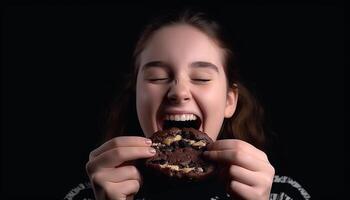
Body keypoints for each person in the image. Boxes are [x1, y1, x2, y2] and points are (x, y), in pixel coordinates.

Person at [64, 9, 311, 200]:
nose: (178, 92)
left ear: (229, 100)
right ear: (136, 95)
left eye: (201, 78)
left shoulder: (280, 194)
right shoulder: (89, 195)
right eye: (157, 78)